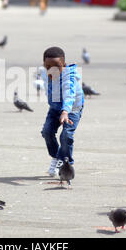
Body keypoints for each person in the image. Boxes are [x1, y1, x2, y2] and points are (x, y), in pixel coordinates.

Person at [40, 46, 84, 177]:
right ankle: (56, 156)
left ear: (63, 65)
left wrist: (65, 111)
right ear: (44, 64)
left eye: (57, 67)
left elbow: (69, 94)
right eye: (48, 66)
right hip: (54, 108)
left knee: (66, 135)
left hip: (72, 110)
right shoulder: (44, 73)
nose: (52, 70)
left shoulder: (69, 78)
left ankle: (66, 162)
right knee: (47, 132)